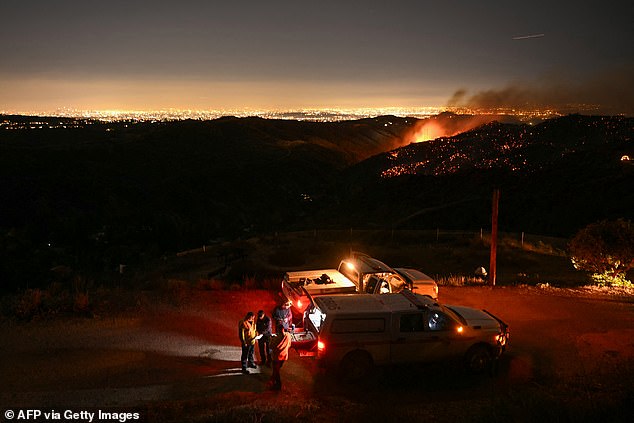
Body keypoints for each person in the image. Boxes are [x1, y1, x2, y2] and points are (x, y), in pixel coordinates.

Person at [268, 320, 292, 390]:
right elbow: (289, 344)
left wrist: (271, 339)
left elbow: (271, 346)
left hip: (277, 357)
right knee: (277, 369)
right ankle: (274, 380)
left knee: (276, 370)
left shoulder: (276, 338)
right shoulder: (288, 335)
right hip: (284, 356)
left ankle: (277, 385)